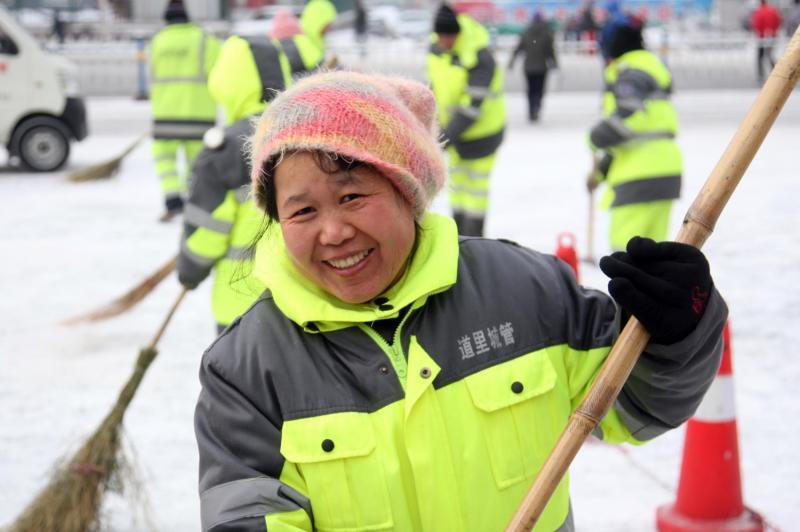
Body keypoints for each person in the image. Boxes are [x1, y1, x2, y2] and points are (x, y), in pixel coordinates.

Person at [193, 69, 727, 531]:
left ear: (408, 192)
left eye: (352, 196)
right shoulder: (247, 370)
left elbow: (641, 406)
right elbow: (246, 512)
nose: (332, 232)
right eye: (302, 211)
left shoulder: (523, 290)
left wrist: (679, 332)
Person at [177, 10, 323, 333]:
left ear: (227, 84)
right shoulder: (307, 135)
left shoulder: (224, 152)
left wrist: (190, 269)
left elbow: (206, 232)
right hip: (306, 301)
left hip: (242, 311)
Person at [587, 14, 682, 252]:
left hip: (638, 179)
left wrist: (596, 136)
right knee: (653, 259)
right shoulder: (650, 68)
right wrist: (601, 173)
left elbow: (630, 115)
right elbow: (638, 136)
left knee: (625, 257)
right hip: (665, 172)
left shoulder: (630, 72)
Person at [427, 3, 506, 236]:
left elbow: (471, 107)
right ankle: (459, 238)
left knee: (476, 191)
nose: (444, 42)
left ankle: (474, 239)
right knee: (458, 187)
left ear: (458, 33)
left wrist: (443, 138)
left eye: (449, 37)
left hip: (482, 136)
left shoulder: (480, 57)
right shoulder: (437, 47)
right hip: (453, 134)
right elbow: (433, 85)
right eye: (441, 37)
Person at [148, 0, 220, 222]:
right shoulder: (205, 40)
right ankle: (193, 202)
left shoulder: (157, 42)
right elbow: (219, 74)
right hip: (198, 114)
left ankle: (172, 199)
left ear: (166, 19)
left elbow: (153, 76)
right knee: (196, 163)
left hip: (164, 114)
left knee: (164, 158)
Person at [508, 10, 557, 122]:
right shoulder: (546, 33)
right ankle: (537, 106)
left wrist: (512, 62)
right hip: (542, 67)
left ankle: (531, 110)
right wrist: (554, 63)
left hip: (528, 67)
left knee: (530, 89)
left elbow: (518, 49)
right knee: (539, 89)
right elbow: (550, 51)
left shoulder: (526, 32)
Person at [751, 0, 782, 82]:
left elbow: (756, 24)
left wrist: (760, 33)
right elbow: (778, 21)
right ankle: (776, 72)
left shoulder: (758, 11)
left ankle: (761, 75)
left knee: (760, 57)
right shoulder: (772, 10)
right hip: (772, 36)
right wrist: (774, 31)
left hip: (761, 38)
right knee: (770, 55)